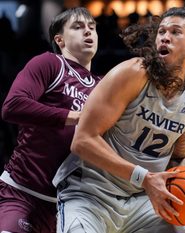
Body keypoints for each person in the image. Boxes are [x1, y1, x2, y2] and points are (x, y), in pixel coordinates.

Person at [53, 6, 185, 233]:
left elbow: (178, 158)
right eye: (161, 32)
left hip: (141, 200)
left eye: (175, 32)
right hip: (90, 192)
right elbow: (83, 141)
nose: (165, 37)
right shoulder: (131, 74)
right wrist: (144, 178)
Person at [0, 7, 101, 233]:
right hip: (23, 193)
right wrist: (76, 116)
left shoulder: (103, 85)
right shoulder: (50, 63)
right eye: (78, 27)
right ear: (60, 39)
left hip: (70, 206)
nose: (88, 32)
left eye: (92, 28)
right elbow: (13, 106)